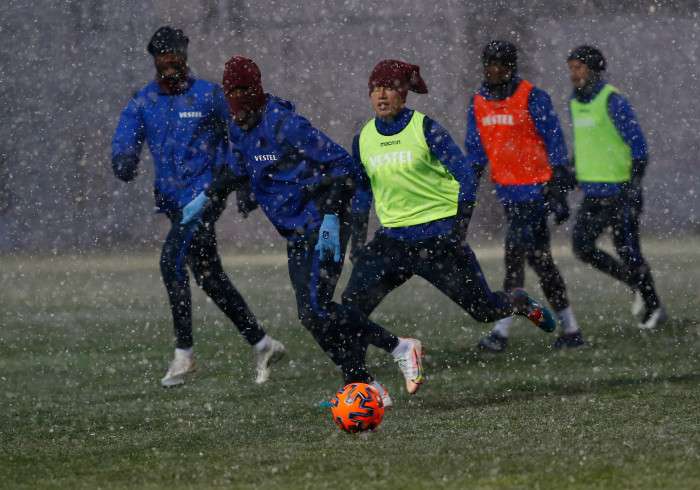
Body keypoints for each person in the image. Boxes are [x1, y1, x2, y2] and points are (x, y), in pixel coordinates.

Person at [181, 56, 424, 406]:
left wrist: (329, 218)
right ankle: (366, 389)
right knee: (312, 317)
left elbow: (342, 164)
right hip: (296, 232)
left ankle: (400, 347)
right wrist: (208, 195)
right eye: (229, 92)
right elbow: (239, 166)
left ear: (256, 91)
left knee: (316, 310)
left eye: (241, 92)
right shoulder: (238, 126)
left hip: (323, 224)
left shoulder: (284, 123)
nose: (235, 103)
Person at [341, 59, 557, 355]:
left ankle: (517, 301)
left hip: (437, 238)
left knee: (483, 310)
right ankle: (360, 388)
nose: (381, 95)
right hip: (392, 240)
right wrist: (357, 242)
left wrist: (457, 230)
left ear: (403, 94)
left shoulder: (425, 128)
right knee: (350, 310)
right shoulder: (363, 139)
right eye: (376, 88)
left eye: (389, 88)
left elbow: (466, 177)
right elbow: (363, 193)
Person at [111, 27, 285, 388]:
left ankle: (184, 354)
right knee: (209, 276)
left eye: (175, 52)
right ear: (155, 59)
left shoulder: (208, 96)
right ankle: (262, 342)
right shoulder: (144, 101)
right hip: (175, 203)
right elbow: (126, 135)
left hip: (206, 195)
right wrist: (123, 156)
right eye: (163, 53)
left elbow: (239, 132)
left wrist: (240, 181)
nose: (170, 59)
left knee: (170, 261)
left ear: (185, 54)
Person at [465, 41, 584, 352]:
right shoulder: (478, 102)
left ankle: (501, 332)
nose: (492, 69)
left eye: (499, 64)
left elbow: (554, 140)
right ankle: (570, 328)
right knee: (540, 261)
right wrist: (466, 188)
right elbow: (476, 153)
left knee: (513, 255)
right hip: (508, 192)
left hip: (536, 191)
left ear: (510, 67)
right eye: (488, 63)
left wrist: (557, 186)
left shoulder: (532, 96)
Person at [566, 45, 666, 329]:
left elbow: (639, 146)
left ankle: (654, 308)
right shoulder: (575, 102)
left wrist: (634, 182)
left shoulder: (613, 100)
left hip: (621, 192)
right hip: (594, 193)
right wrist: (573, 171)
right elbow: (588, 143)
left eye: (579, 67)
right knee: (582, 247)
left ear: (594, 69)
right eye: (571, 68)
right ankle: (635, 283)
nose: (573, 74)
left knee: (628, 250)